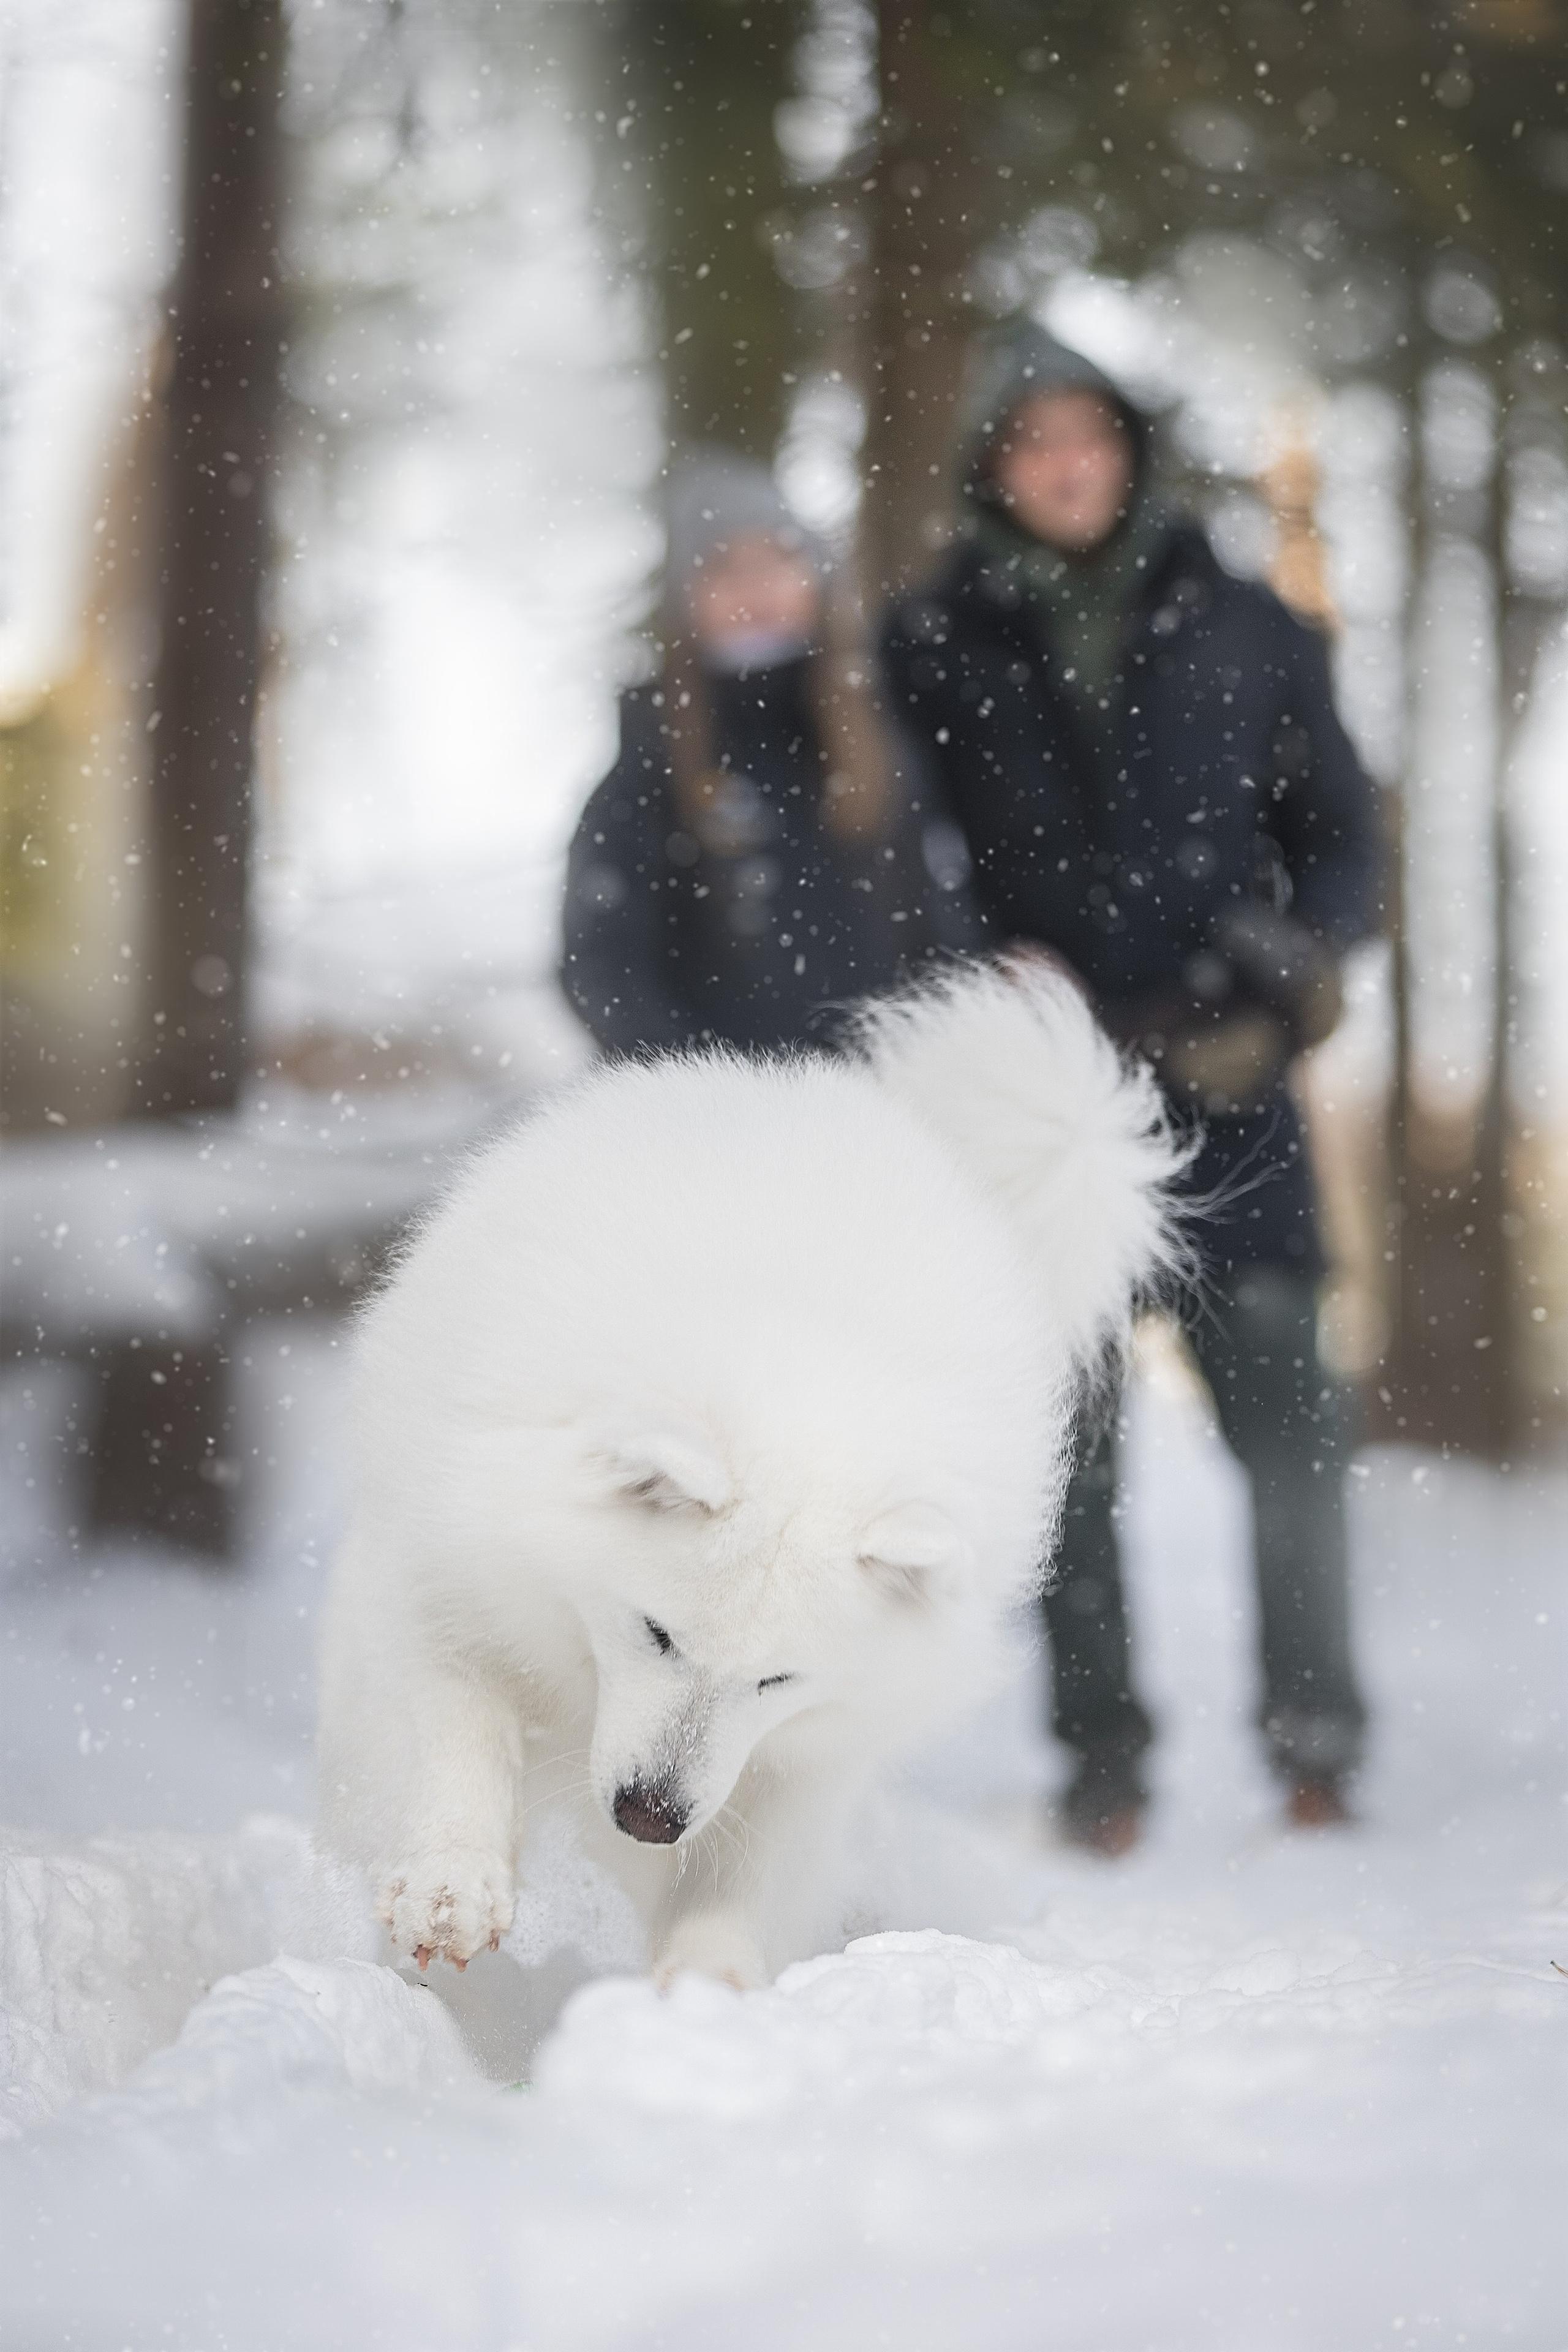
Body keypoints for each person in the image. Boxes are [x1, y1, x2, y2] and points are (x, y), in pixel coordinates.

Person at [883, 322, 1382, 1853]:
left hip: (1233, 1093)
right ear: (991, 467)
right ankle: (1100, 1767)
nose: (1064, 464)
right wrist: (978, 971)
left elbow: (1341, 835)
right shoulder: (929, 639)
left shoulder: (1244, 622)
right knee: (1068, 1454)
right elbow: (897, 854)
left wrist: (1290, 968)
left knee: (1290, 1434)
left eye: (1086, 434)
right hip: (1044, 1109)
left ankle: (1314, 1748)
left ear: (1127, 451)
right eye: (1031, 441)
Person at [563, 450, 948, 1056]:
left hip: (877, 1093)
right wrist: (696, 1082)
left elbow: (940, 929)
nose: (757, 587)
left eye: (779, 559)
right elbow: (602, 966)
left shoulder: (878, 740)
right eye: (725, 567)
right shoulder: (652, 759)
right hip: (719, 1104)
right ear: (686, 598)